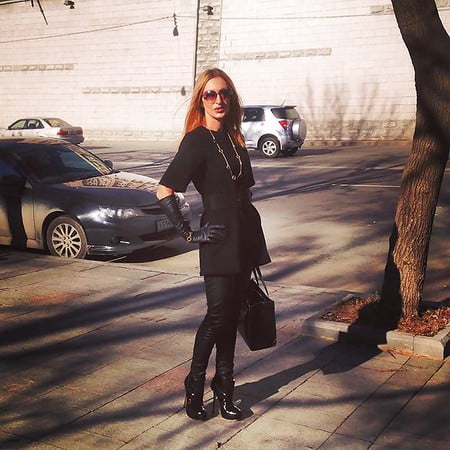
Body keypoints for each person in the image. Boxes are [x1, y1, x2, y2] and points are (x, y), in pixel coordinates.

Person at [156, 68, 270, 421]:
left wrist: (250, 235)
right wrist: (190, 234)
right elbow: (164, 190)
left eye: (224, 93)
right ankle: (194, 384)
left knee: (233, 315)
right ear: (200, 101)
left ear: (231, 98)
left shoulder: (235, 139)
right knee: (218, 315)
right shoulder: (196, 141)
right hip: (218, 239)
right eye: (210, 94)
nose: (218, 100)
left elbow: (245, 190)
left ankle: (224, 388)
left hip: (244, 237)